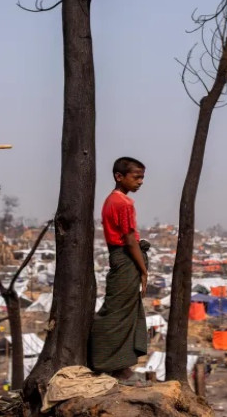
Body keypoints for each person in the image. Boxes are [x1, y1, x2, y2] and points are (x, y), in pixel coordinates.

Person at [89, 157, 149, 384]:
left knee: (125, 313)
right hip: (125, 258)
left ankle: (120, 367)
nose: (140, 182)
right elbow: (129, 240)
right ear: (119, 176)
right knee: (116, 313)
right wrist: (143, 270)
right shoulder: (123, 204)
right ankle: (108, 364)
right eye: (136, 177)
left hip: (122, 258)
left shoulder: (111, 201)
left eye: (142, 177)